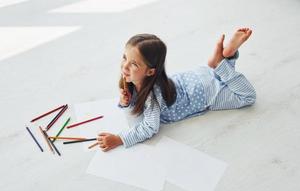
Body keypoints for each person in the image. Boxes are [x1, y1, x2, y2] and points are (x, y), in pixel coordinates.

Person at [96, 28, 256, 152]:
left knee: (247, 97)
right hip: (198, 75)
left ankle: (219, 63)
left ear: (150, 71)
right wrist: (126, 102)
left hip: (206, 93)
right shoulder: (139, 80)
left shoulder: (152, 97)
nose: (124, 66)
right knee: (222, 76)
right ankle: (224, 59)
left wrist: (119, 139)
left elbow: (149, 127)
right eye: (125, 57)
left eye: (134, 64)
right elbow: (136, 109)